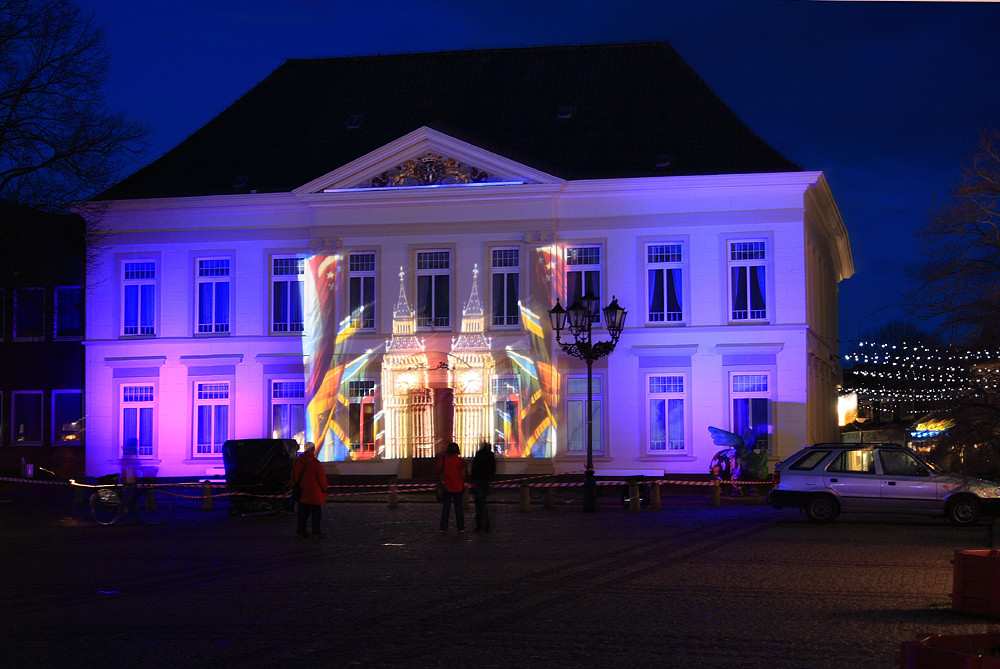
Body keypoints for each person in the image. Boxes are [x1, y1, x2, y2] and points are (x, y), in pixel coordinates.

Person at [291, 442, 328, 539]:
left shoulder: (298, 462)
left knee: (302, 514)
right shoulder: (315, 463)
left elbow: (293, 477)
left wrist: (295, 486)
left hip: (302, 493)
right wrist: (324, 488)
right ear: (313, 450)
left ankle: (301, 532)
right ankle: (316, 532)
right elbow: (321, 478)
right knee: (316, 514)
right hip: (314, 494)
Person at [437, 442, 468, 533]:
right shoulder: (461, 461)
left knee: (446, 507)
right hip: (458, 486)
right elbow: (464, 474)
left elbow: (439, 471)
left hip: (446, 486)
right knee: (458, 507)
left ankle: (443, 527)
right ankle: (460, 527)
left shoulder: (442, 460)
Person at [471, 441, 496, 532]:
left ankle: (479, 525)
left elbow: (474, 467)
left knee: (478, 504)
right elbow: (493, 468)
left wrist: (474, 478)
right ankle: (486, 526)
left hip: (478, 481)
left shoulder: (478, 454)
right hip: (486, 480)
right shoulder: (490, 455)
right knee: (484, 503)